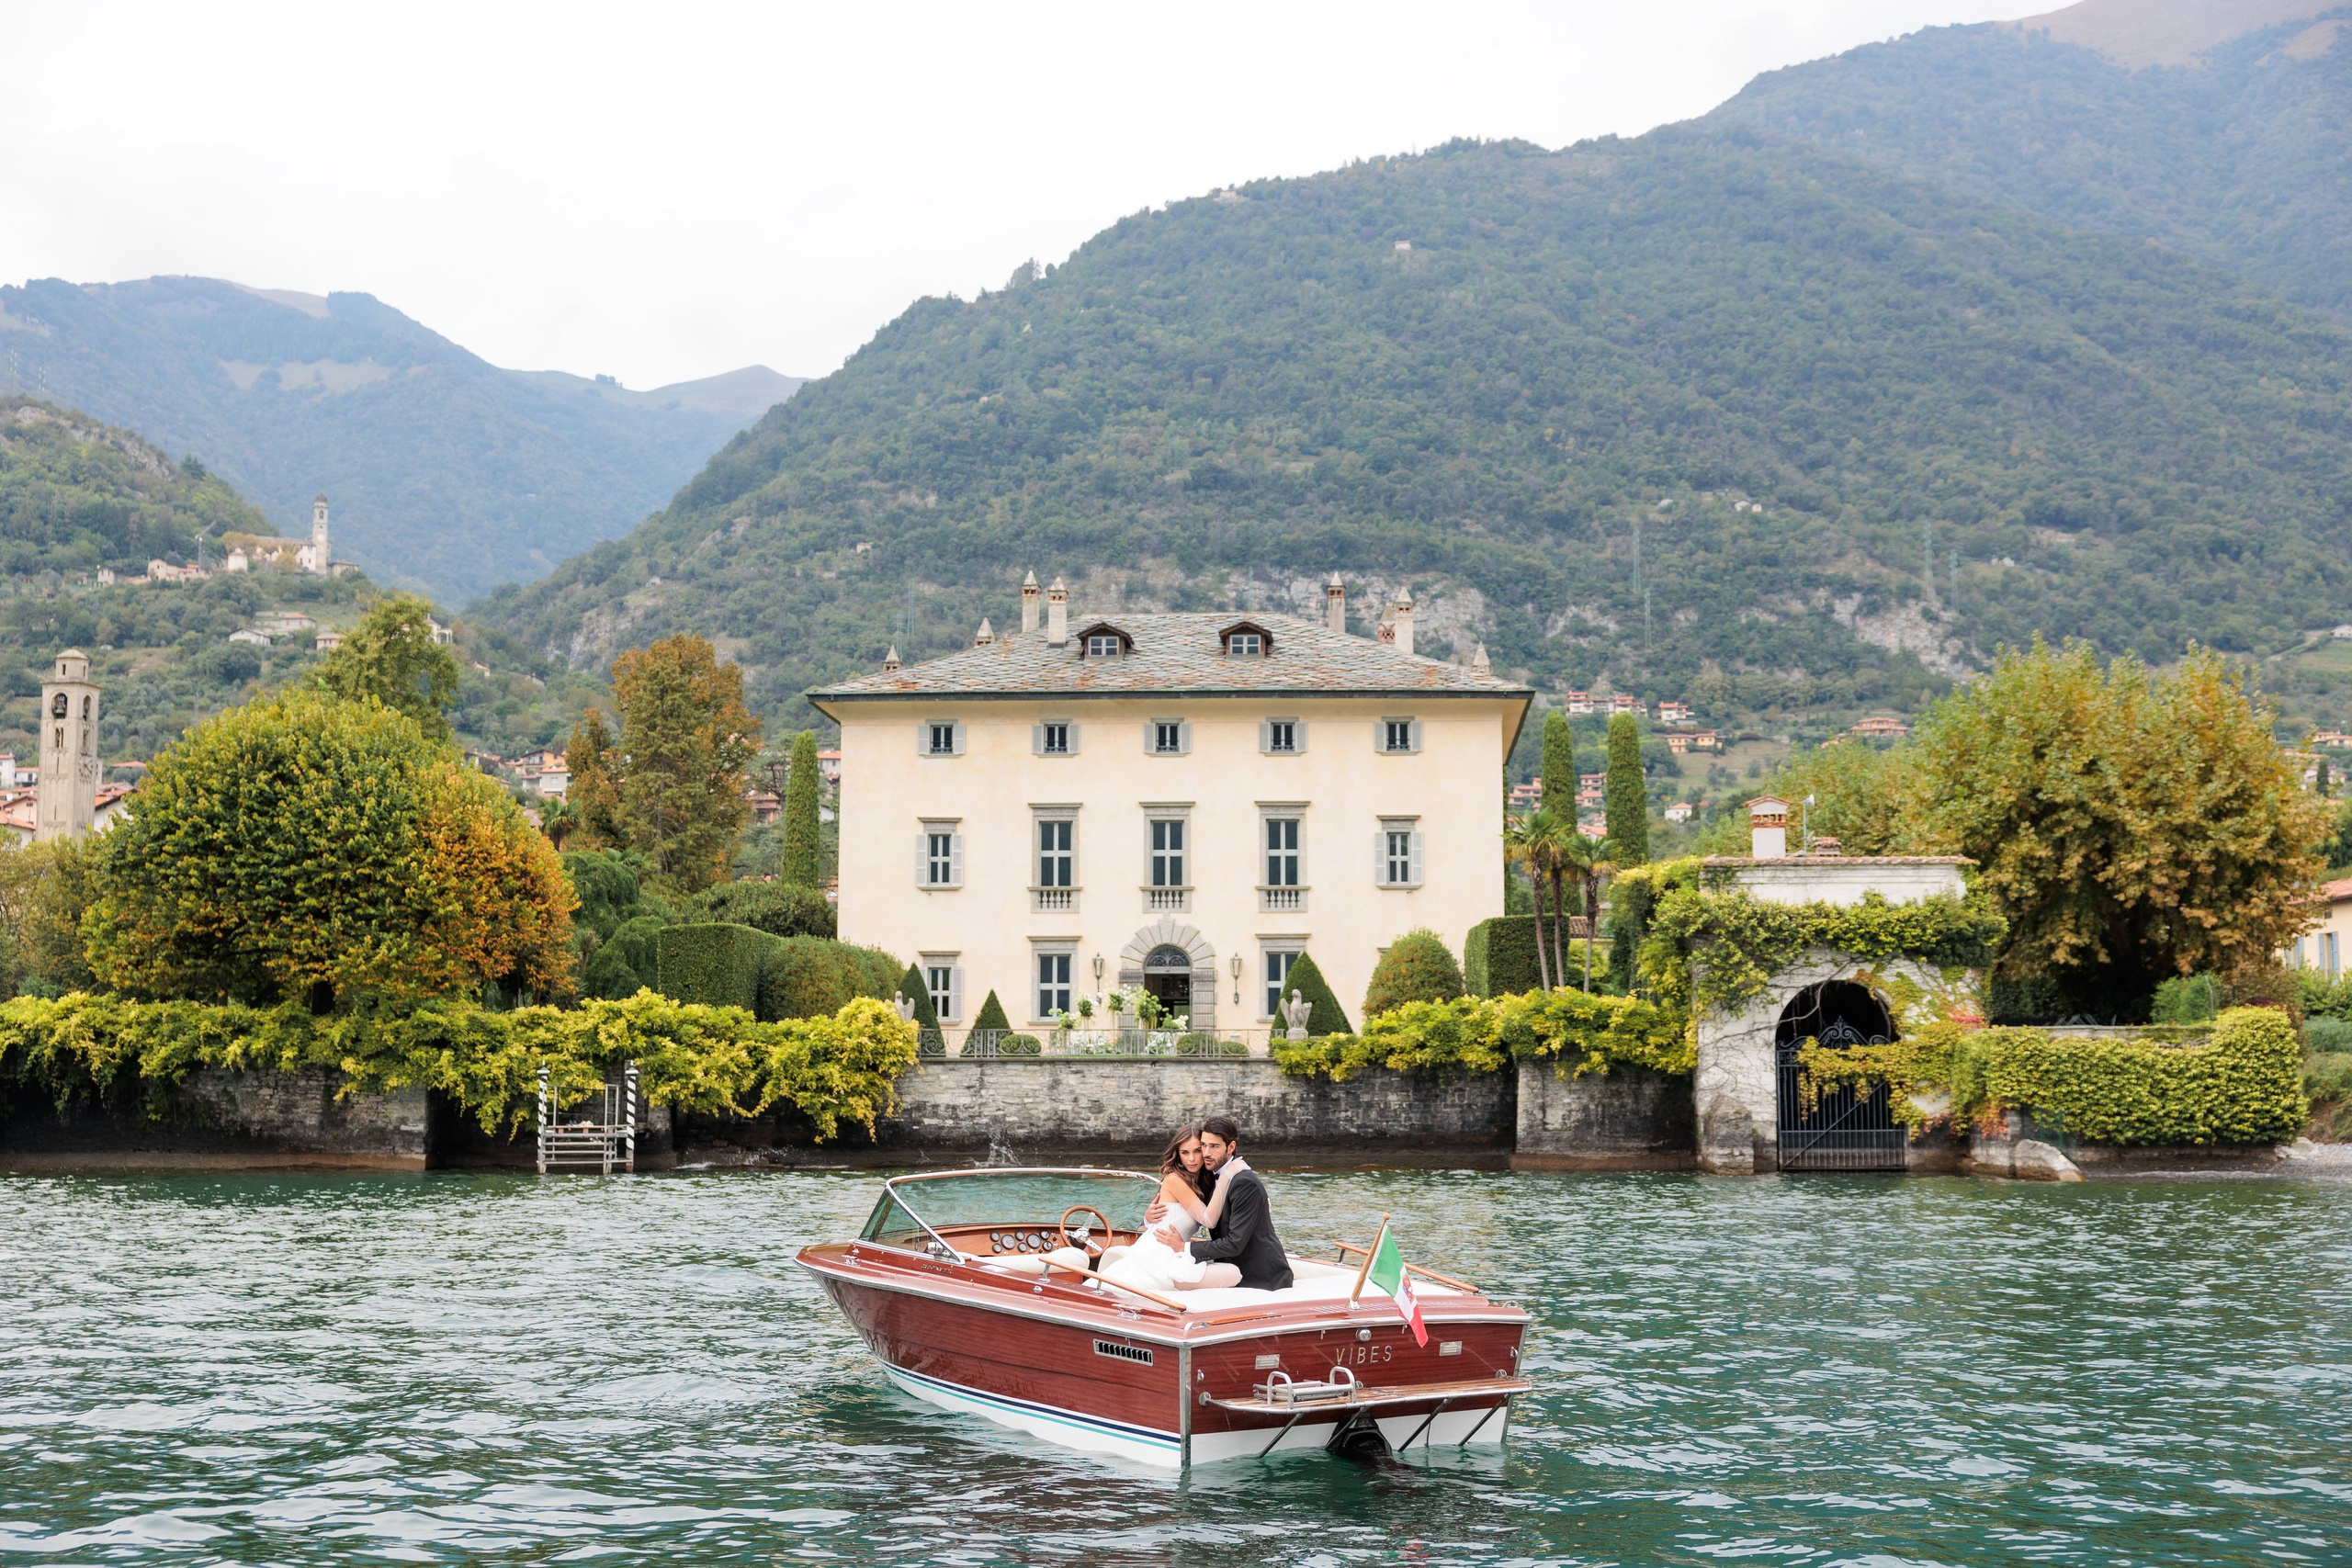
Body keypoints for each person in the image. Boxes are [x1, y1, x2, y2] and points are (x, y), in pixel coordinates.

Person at [1150, 1116, 1293, 1292]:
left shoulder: (1244, 1183)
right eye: (1204, 1145)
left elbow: (1234, 1243)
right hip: (1228, 1268)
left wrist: (1184, 1247)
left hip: (1262, 1277)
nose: (1206, 1153)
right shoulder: (1208, 1177)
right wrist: (1148, 1216)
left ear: (1230, 1147)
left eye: (1214, 1146)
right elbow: (1172, 1207)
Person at [1102, 1124, 1244, 1292]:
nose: (1191, 1159)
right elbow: (1208, 1220)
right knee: (1233, 1273)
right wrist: (1228, 1175)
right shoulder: (1174, 1179)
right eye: (1185, 1152)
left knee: (1226, 1266)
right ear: (1177, 1155)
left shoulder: (1203, 1181)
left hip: (1175, 1254)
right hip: (1158, 1259)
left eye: (1197, 1151)